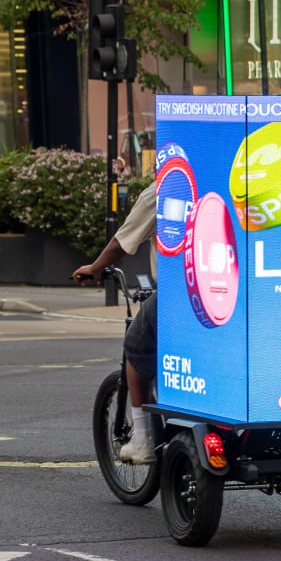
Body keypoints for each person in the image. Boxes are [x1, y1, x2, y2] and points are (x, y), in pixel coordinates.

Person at [72, 184, 157, 464]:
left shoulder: (165, 186)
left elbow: (123, 241)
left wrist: (95, 267)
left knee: (136, 343)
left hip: (183, 292)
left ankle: (143, 439)